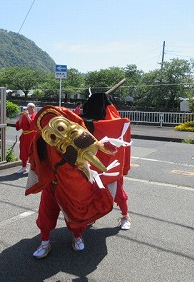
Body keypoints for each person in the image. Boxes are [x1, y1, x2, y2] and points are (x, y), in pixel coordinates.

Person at [25, 106, 115, 259]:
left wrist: (100, 146)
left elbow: (89, 144)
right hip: (52, 184)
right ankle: (45, 242)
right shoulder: (40, 141)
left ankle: (77, 236)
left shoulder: (75, 128)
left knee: (77, 210)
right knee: (46, 214)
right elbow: (37, 160)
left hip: (74, 182)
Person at [82, 93, 132, 230]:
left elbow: (121, 123)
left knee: (118, 193)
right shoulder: (83, 122)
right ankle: (91, 216)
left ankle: (125, 216)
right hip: (91, 164)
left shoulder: (90, 121)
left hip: (110, 164)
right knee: (90, 193)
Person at [15, 102, 37, 174]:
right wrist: (20, 118)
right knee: (23, 151)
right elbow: (20, 126)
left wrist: (27, 117)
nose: (27, 109)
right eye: (26, 108)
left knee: (33, 151)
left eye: (29, 108)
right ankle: (24, 167)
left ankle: (34, 167)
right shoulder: (24, 115)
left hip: (32, 135)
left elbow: (33, 126)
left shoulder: (35, 115)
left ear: (33, 108)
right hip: (24, 135)